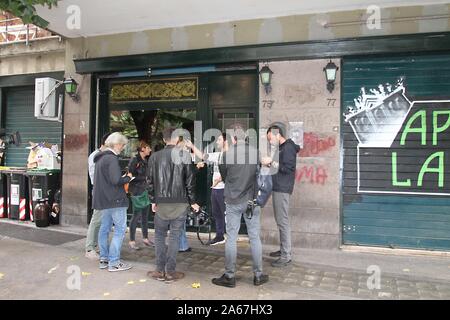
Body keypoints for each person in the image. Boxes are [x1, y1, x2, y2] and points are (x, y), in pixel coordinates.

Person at [212, 124, 269, 288]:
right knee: (254, 237)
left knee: (231, 238)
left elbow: (224, 177)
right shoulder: (255, 152)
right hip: (251, 201)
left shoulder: (225, 155)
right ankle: (258, 275)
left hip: (232, 201)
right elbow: (258, 174)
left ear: (232, 138)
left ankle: (230, 276)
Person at [147, 127, 200, 283]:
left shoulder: (154, 157)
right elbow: (190, 181)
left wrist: (152, 200)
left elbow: (149, 182)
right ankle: (170, 271)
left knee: (159, 236)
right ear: (177, 139)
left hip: (161, 203)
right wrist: (193, 201)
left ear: (164, 140)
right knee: (175, 236)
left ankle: (159, 270)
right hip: (180, 202)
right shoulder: (184, 156)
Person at [93, 132, 134, 272]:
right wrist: (128, 178)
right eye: (122, 145)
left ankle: (104, 259)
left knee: (104, 229)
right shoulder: (111, 159)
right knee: (120, 230)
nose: (122, 148)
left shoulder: (99, 158)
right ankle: (114, 262)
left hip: (104, 200)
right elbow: (116, 180)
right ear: (116, 144)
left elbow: (107, 180)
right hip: (115, 200)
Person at [261, 122, 300, 267]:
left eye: (270, 138)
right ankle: (283, 249)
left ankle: (286, 256)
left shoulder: (288, 148)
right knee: (280, 221)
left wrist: (271, 162)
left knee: (282, 221)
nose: (270, 141)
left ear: (277, 134)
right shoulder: (282, 148)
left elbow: (288, 169)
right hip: (278, 187)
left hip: (282, 188)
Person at [189, 133, 229, 246]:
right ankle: (220, 235)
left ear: (226, 142)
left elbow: (231, 171)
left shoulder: (231, 155)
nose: (217, 142)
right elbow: (203, 156)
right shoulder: (218, 155)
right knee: (217, 214)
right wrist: (192, 146)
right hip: (215, 189)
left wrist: (219, 179)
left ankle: (231, 237)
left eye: (220, 139)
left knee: (226, 214)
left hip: (224, 190)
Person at [85, 132, 110, 260]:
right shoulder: (96, 156)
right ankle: (90, 248)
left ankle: (97, 245)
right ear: (106, 143)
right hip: (100, 190)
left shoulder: (104, 155)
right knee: (97, 219)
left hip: (105, 190)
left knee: (103, 220)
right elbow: (96, 176)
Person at [128, 141, 153, 250]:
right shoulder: (135, 160)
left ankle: (145, 238)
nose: (150, 150)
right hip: (137, 191)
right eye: (148, 148)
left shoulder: (145, 160)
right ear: (142, 148)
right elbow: (130, 176)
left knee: (144, 215)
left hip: (144, 190)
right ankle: (132, 240)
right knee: (136, 215)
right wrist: (145, 179)